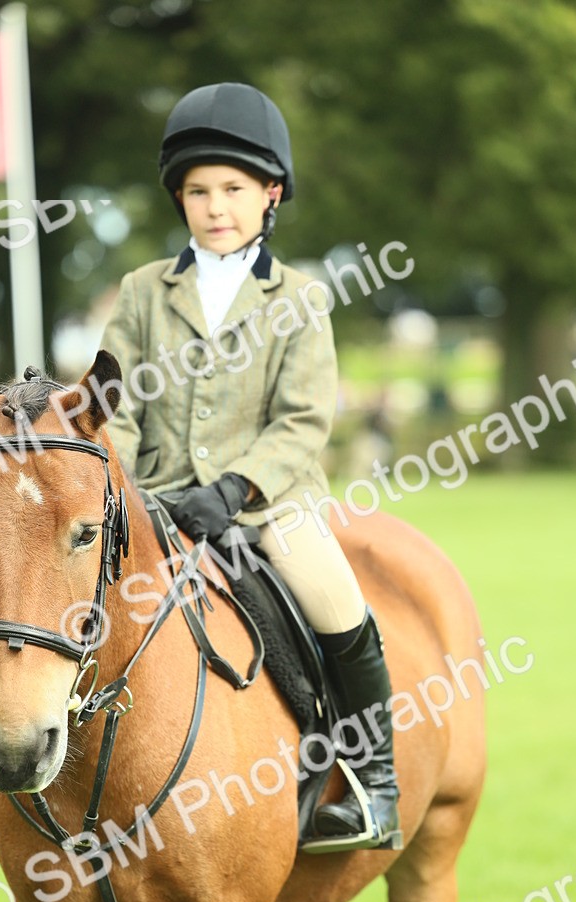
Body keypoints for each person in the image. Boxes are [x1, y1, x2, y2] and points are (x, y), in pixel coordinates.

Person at [99, 82, 400, 851]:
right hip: (156, 501)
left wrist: (233, 489)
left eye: (233, 188)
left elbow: (304, 420)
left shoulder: (301, 297)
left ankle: (376, 785)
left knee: (339, 610)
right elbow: (116, 403)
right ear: (180, 200)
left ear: (270, 195)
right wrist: (127, 494)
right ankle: (48, 790)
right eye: (197, 191)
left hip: (271, 506)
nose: (215, 205)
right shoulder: (141, 293)